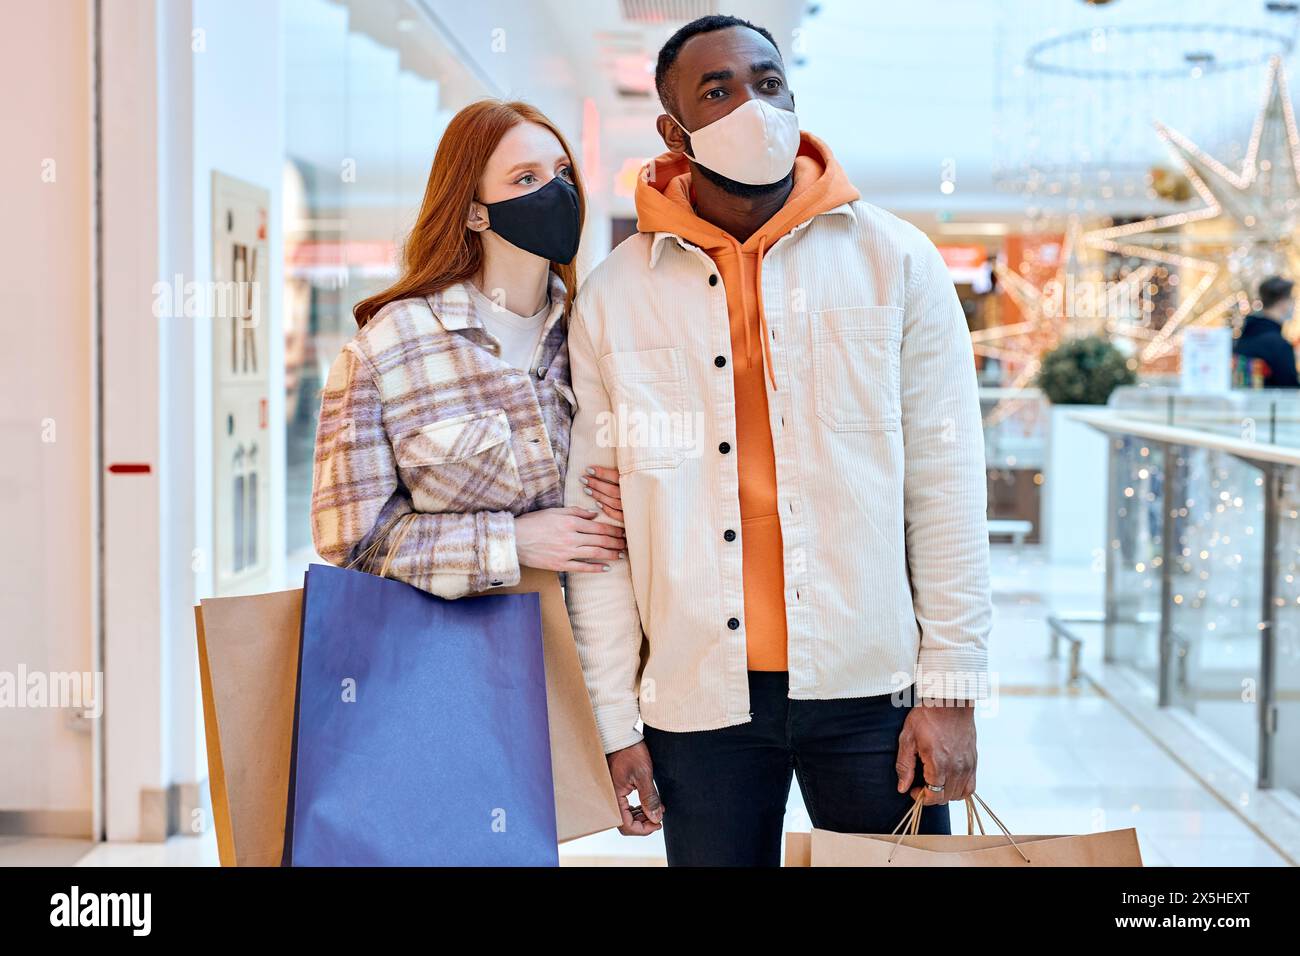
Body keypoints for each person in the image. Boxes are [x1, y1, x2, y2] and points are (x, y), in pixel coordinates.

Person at [563, 15, 992, 865]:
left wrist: (951, 690)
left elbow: (946, 484)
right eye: (717, 92)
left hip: (872, 686)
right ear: (673, 133)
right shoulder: (614, 298)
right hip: (697, 696)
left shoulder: (897, 262)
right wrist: (615, 725)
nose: (752, 106)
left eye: (768, 82)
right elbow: (599, 536)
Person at [311, 100, 625, 599]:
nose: (558, 191)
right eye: (525, 178)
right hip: (458, 664)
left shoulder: (600, 333)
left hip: (599, 657)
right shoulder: (389, 351)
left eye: (563, 171)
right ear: (475, 212)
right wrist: (510, 542)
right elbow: (354, 543)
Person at [1234, 276, 1299, 388]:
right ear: (1282, 302)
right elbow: (1291, 392)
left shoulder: (1245, 336)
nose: (1294, 306)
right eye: (1292, 300)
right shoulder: (1278, 345)